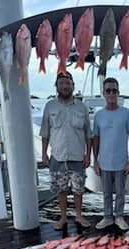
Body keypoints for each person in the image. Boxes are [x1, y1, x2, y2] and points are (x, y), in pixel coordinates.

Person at [39, 71, 92, 231]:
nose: (65, 86)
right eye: (61, 83)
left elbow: (88, 134)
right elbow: (45, 132)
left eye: (68, 83)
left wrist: (88, 154)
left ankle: (78, 215)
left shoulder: (82, 107)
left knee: (78, 189)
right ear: (57, 86)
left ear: (73, 86)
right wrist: (44, 153)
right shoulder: (50, 106)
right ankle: (62, 217)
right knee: (60, 189)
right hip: (58, 156)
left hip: (77, 156)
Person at [93, 77, 129, 231]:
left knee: (120, 192)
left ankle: (119, 216)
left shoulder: (126, 113)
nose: (111, 93)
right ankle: (107, 217)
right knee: (106, 193)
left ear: (118, 93)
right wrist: (95, 161)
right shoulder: (98, 116)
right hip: (104, 162)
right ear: (103, 93)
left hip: (120, 162)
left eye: (114, 90)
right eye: (108, 90)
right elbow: (95, 139)